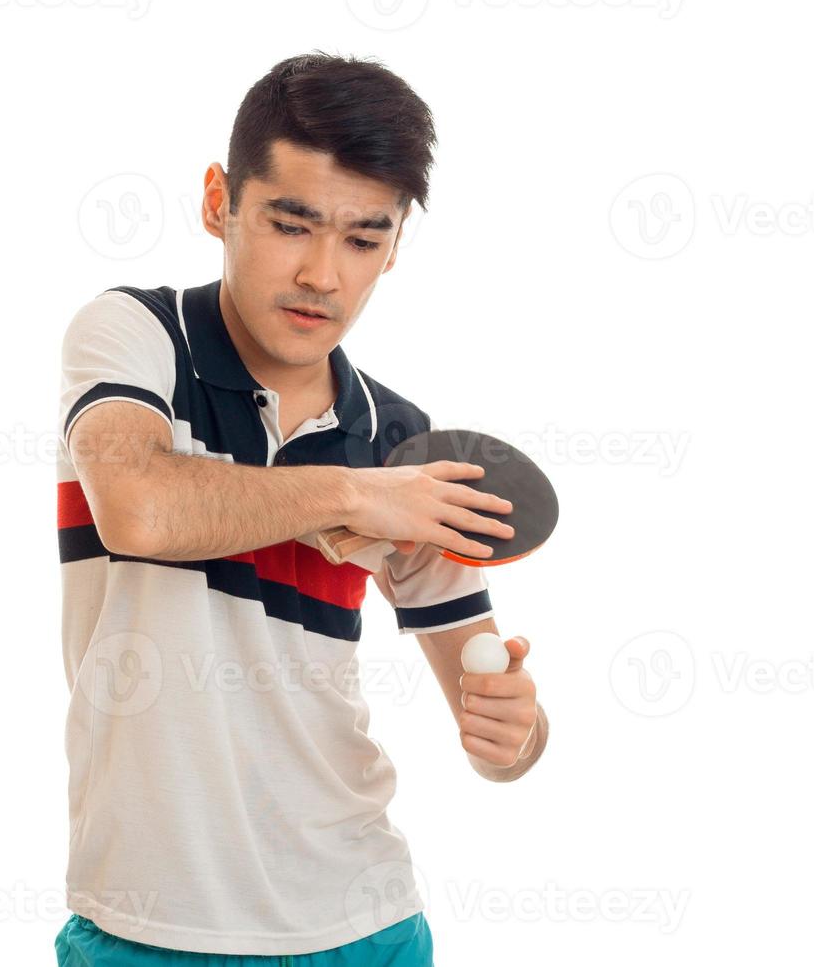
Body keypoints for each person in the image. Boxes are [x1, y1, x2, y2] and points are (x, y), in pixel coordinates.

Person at [54, 51, 549, 966]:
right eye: (292, 224)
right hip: (150, 927)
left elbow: (496, 741)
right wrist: (358, 494)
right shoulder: (136, 337)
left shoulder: (404, 440)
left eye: (363, 239)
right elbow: (138, 510)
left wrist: (514, 729)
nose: (324, 273)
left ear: (393, 249)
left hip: (368, 924)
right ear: (219, 202)